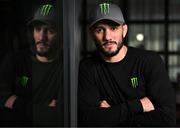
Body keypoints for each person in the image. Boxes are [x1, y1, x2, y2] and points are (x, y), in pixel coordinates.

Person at [78, 2, 176, 127]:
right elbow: (88, 120)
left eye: (113, 28)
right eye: (100, 30)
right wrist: (138, 105)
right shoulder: (87, 67)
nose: (107, 36)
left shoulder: (150, 61)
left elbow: (167, 119)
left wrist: (112, 114)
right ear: (91, 34)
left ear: (124, 30)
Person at [0, 4, 63, 126]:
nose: (42, 37)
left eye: (50, 30)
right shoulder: (15, 61)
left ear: (60, 34)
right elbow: (2, 99)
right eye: (38, 29)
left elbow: (58, 114)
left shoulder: (65, 66)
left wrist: (16, 102)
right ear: (32, 32)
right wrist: (41, 110)